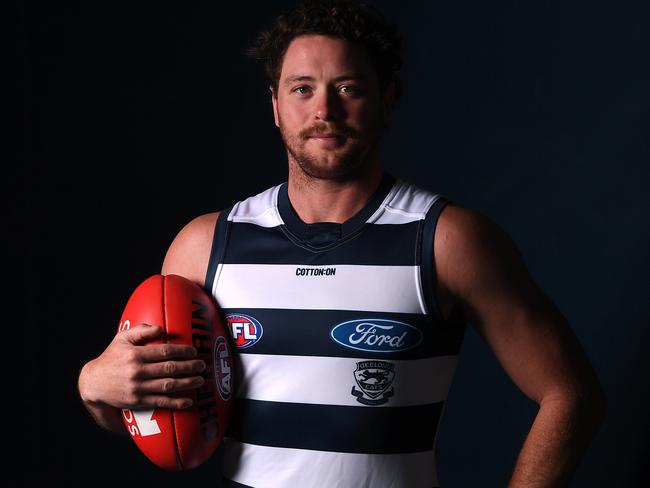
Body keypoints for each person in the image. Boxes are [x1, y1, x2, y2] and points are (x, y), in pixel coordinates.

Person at [77, 0, 607, 486]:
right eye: (302, 88)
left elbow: (571, 394)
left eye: (348, 87)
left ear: (386, 99)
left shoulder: (447, 239)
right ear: (276, 105)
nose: (323, 110)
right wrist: (96, 387)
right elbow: (155, 412)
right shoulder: (205, 245)